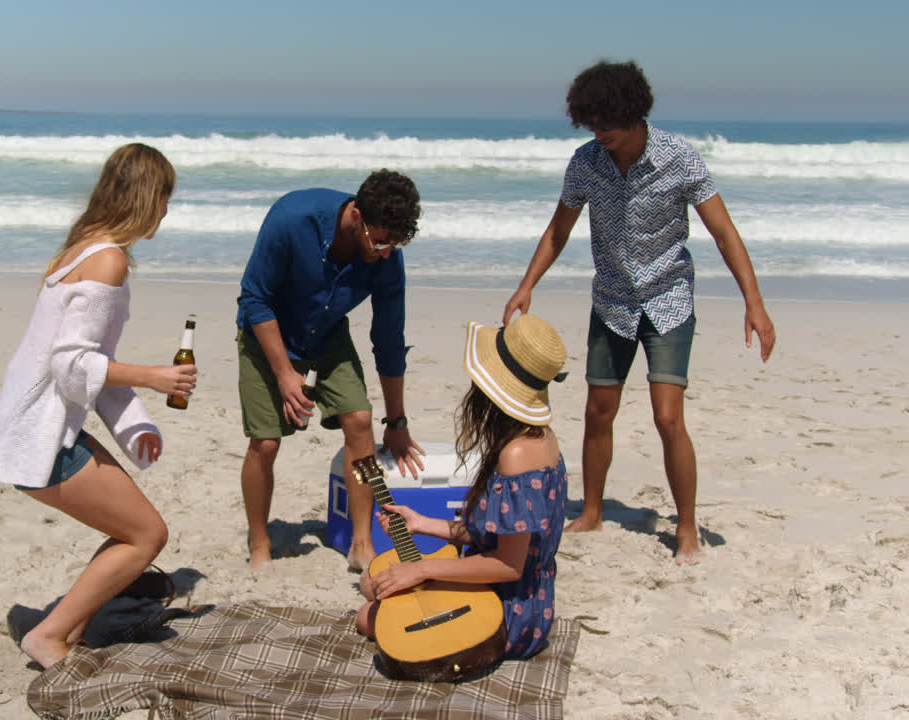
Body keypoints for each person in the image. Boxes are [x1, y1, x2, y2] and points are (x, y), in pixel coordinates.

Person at [503, 61, 776, 564]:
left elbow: (723, 233)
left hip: (668, 299)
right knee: (597, 411)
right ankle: (591, 512)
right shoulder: (586, 163)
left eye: (607, 122)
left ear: (633, 112)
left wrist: (754, 303)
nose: (600, 132)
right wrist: (526, 286)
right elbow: (558, 231)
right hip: (612, 301)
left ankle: (687, 526)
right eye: (591, 124)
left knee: (667, 416)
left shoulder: (679, 158)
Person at [0, 143, 196, 669]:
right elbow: (72, 365)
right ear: (145, 197)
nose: (166, 210)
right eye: (165, 197)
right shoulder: (108, 260)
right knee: (147, 535)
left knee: (132, 531)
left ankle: (67, 630)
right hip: (41, 434)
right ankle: (48, 636)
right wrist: (154, 377)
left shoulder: (82, 248)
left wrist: (135, 425)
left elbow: (90, 364)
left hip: (37, 426)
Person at [236, 169, 427, 571]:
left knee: (359, 419)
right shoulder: (291, 219)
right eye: (380, 242)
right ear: (356, 215)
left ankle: (361, 545)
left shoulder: (387, 254)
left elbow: (389, 341)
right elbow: (254, 298)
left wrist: (397, 421)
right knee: (266, 442)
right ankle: (260, 543)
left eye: (395, 244)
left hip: (326, 333)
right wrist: (285, 373)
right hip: (268, 331)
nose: (386, 253)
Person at [356, 313, 569, 661]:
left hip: (509, 609)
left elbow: (508, 565)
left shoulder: (516, 455)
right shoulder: (538, 436)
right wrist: (422, 523)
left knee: (368, 616)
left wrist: (422, 568)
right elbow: (500, 535)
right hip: (521, 592)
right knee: (371, 582)